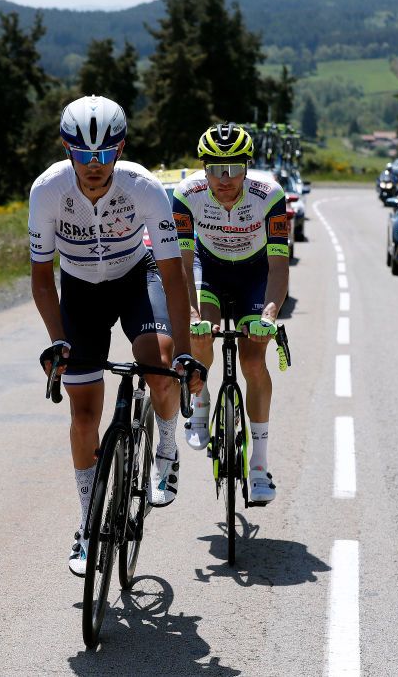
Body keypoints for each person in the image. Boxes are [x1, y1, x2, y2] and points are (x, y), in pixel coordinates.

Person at [29, 95, 206, 577]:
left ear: (120, 148)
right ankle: (87, 526)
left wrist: (187, 355)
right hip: (81, 292)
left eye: (104, 154)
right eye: (83, 155)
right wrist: (56, 339)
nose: (94, 166)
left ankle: (166, 450)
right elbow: (43, 279)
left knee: (160, 367)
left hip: (136, 279)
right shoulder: (47, 191)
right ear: (67, 151)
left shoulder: (143, 187)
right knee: (84, 415)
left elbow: (172, 277)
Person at [172, 123, 290, 504]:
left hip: (255, 275)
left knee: (253, 363)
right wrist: (191, 314)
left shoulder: (269, 195)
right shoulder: (186, 194)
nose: (225, 179)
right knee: (200, 334)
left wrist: (269, 316)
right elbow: (184, 264)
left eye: (234, 168)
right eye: (216, 169)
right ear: (203, 168)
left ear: (247, 166)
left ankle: (259, 466)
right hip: (211, 271)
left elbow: (279, 267)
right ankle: (202, 404)